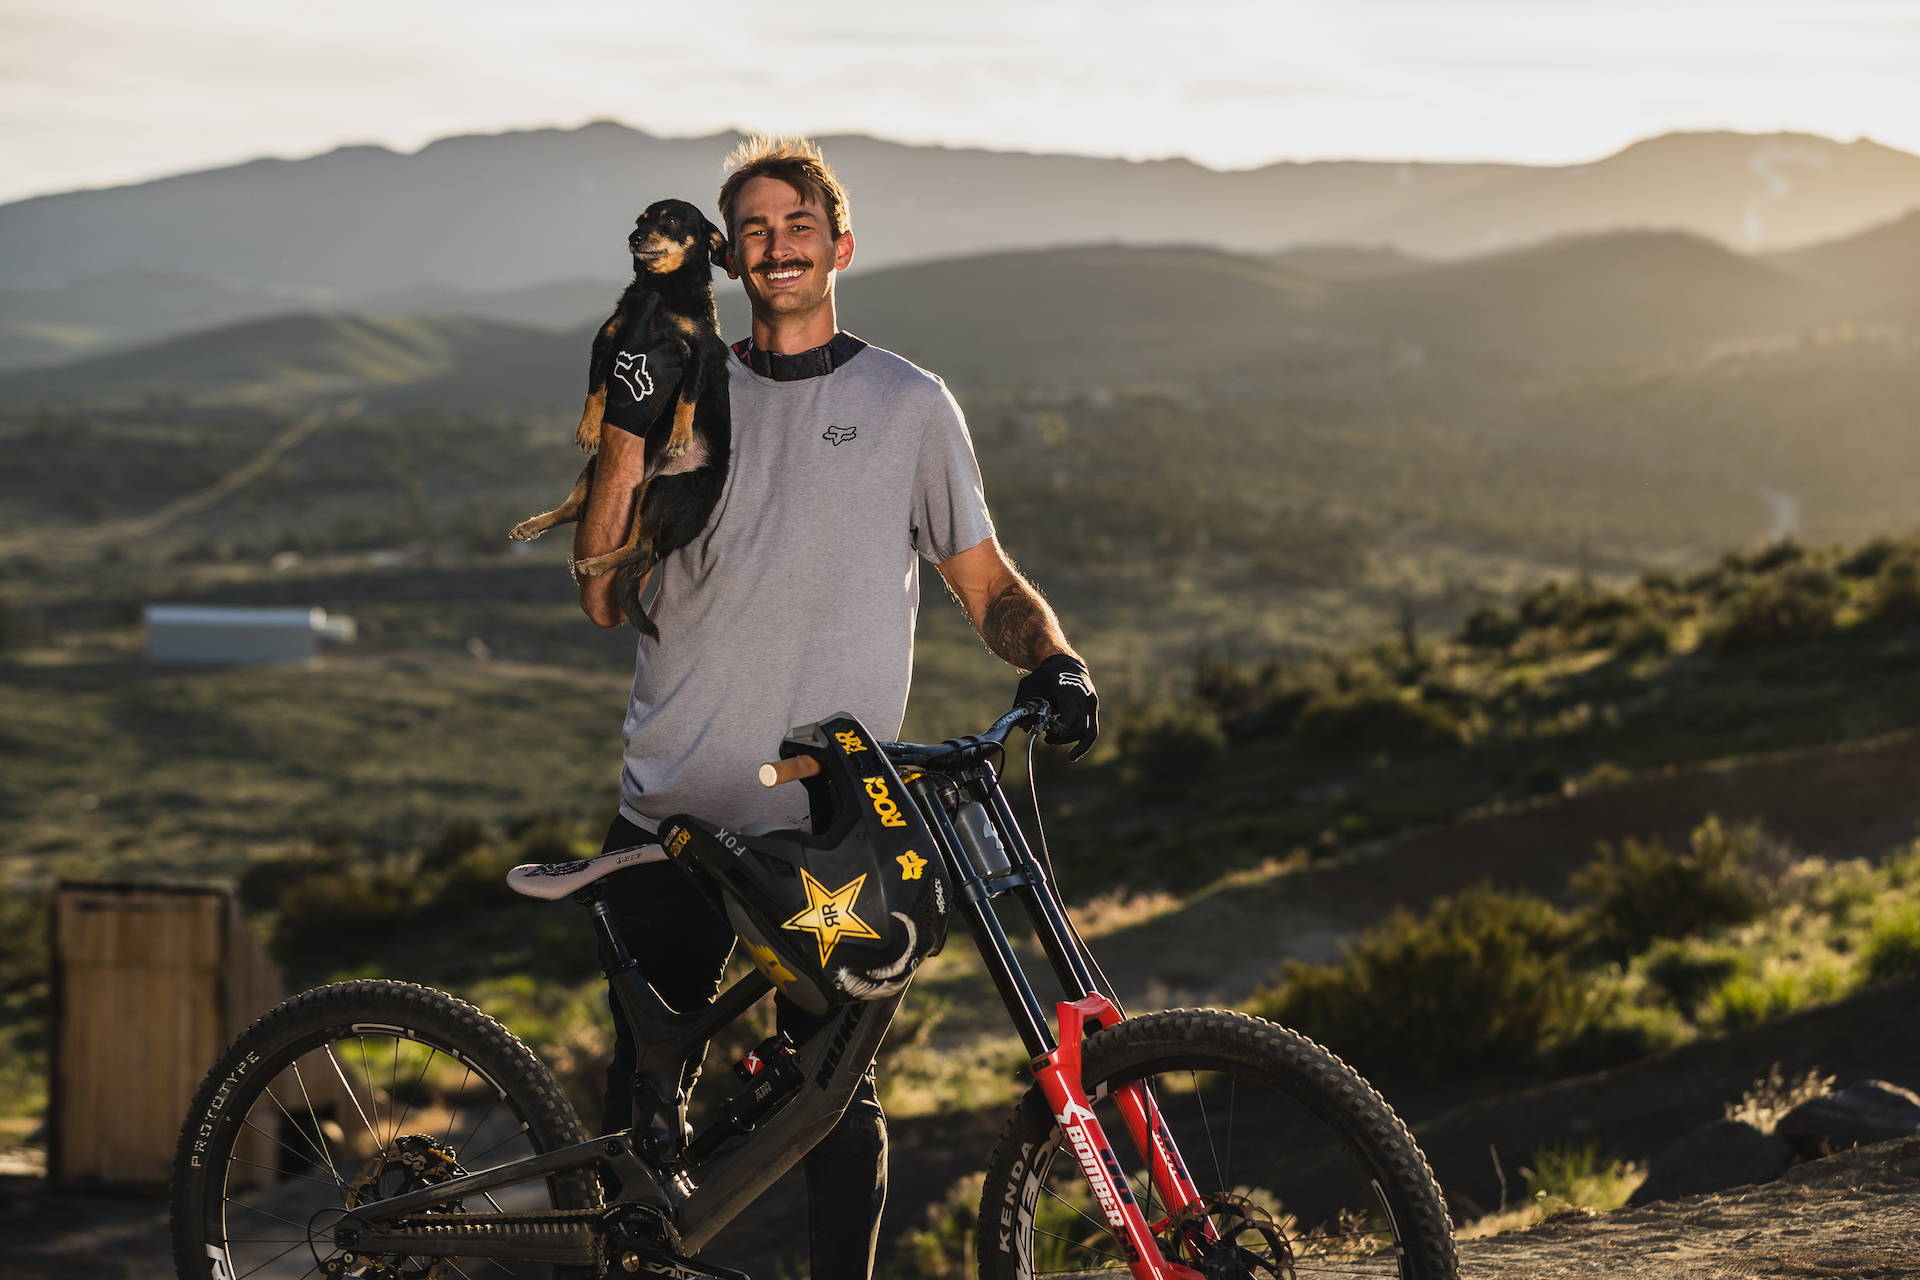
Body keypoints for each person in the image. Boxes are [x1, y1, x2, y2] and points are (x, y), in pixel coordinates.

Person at [572, 135, 1098, 1278]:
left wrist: (1052, 658)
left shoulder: (909, 404)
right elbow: (604, 593)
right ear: (726, 256)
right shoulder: (688, 386)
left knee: (834, 1106)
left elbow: (987, 581)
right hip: (678, 800)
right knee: (635, 1106)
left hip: (830, 823)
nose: (777, 247)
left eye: (798, 227)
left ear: (840, 245)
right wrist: (627, 420)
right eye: (754, 231)